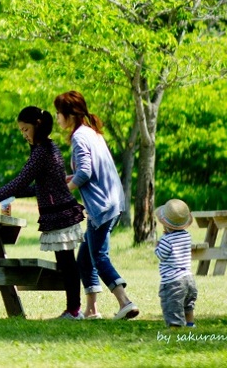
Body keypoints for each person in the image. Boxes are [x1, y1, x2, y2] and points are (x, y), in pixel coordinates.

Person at [0, 106, 86, 320]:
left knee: (67, 264)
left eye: (25, 129)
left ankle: (74, 310)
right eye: (21, 131)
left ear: (37, 125)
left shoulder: (42, 151)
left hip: (60, 214)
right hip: (59, 212)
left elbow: (20, 180)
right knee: (67, 264)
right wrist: (14, 195)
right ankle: (73, 309)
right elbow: (41, 187)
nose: (24, 135)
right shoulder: (48, 148)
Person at [55, 90, 139, 320]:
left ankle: (125, 302)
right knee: (85, 258)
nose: (56, 118)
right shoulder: (93, 133)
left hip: (101, 205)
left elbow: (85, 172)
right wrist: (68, 180)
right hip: (112, 201)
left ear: (69, 114)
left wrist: (64, 189)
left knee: (99, 257)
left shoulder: (79, 137)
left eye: (58, 113)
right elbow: (90, 173)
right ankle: (92, 310)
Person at [155, 198, 198, 328]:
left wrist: (158, 246)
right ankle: (190, 324)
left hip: (173, 281)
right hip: (189, 279)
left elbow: (161, 255)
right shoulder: (186, 236)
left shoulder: (166, 240)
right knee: (187, 305)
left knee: (172, 305)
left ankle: (175, 329)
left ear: (165, 224)